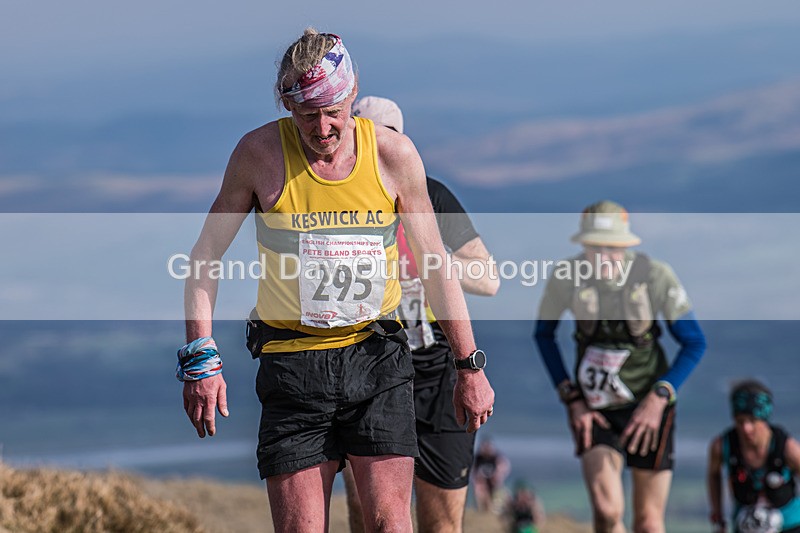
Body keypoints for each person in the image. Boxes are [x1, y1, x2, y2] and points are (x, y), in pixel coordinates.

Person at [177, 29, 495, 533]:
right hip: (293, 365)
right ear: (286, 104)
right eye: (307, 114)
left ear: (352, 96)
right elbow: (205, 256)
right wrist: (200, 357)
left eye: (334, 111)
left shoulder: (394, 156)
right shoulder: (258, 154)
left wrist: (469, 365)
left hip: (378, 359)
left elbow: (436, 264)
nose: (322, 128)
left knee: (391, 524)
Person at [341, 96, 500, 533]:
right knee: (371, 517)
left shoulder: (430, 194)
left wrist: (428, 264)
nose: (377, 151)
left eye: (386, 140)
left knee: (442, 523)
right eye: (366, 140)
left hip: (437, 376)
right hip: (368, 373)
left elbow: (488, 278)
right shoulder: (337, 195)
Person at [534, 200, 707, 533]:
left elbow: (694, 342)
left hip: (649, 409)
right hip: (594, 410)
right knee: (607, 511)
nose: (602, 257)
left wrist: (659, 397)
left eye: (612, 248)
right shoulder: (565, 278)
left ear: (625, 246)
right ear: (583, 246)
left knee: (649, 522)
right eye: (594, 248)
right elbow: (544, 335)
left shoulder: (656, 276)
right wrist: (571, 398)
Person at [707, 380, 800, 533]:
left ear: (764, 419)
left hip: (790, 526)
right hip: (745, 525)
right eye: (740, 421)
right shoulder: (722, 446)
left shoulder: (788, 448)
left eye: (752, 421)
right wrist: (718, 515)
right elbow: (713, 474)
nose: (746, 428)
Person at [473, 438, 511, 513]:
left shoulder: (496, 457)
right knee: (480, 490)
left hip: (494, 481)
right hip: (483, 482)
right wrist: (478, 479)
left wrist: (498, 475)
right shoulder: (478, 458)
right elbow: (474, 472)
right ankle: (483, 509)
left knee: (499, 492)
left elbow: (504, 467)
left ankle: (497, 507)